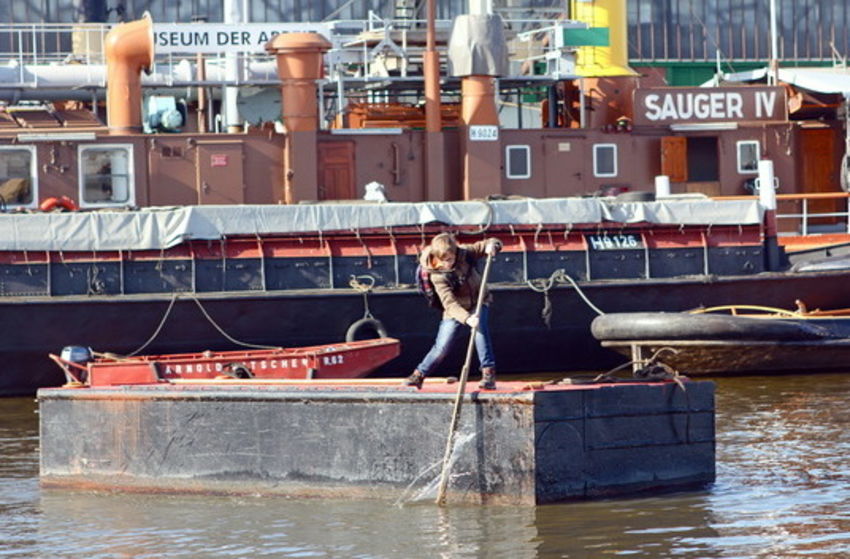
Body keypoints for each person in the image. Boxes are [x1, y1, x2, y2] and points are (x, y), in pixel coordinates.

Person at [404, 232, 502, 390]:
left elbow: (489, 242)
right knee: (442, 346)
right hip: (455, 309)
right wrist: (467, 319)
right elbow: (449, 303)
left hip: (478, 302)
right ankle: (419, 375)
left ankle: (488, 375)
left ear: (455, 252)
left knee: (480, 334)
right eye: (443, 260)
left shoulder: (464, 253)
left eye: (450, 259)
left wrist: (493, 245)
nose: (447, 264)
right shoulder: (437, 275)